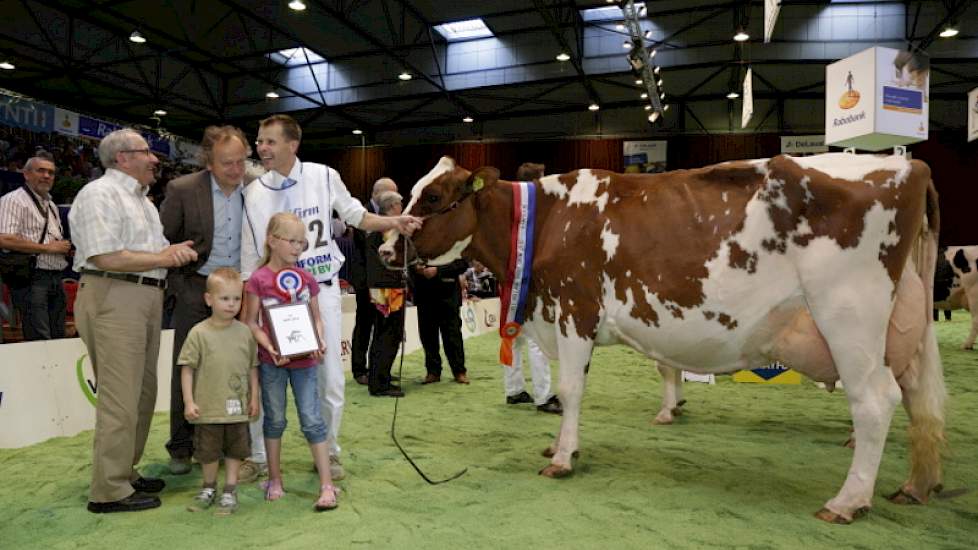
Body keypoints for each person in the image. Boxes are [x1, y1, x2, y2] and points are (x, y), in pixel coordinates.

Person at [240, 114, 421, 482]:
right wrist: (250, 307)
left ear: (293, 144)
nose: (262, 148)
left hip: (320, 293)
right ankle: (258, 455)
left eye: (270, 141)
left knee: (329, 378)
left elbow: (355, 215)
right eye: (259, 141)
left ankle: (329, 450)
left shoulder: (324, 176)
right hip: (271, 299)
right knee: (262, 375)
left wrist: (393, 223)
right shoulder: (253, 192)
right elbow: (249, 256)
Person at [69, 128, 198, 513]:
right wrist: (163, 258)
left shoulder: (141, 200)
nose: (154, 159)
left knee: (141, 393)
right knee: (120, 397)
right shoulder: (99, 194)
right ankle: (107, 490)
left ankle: (124, 471)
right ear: (123, 158)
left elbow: (150, 251)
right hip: (114, 294)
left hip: (142, 296)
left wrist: (170, 251)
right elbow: (104, 256)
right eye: (146, 152)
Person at [159, 125, 251, 476]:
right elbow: (164, 239)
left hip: (240, 289)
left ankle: (232, 446)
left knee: (236, 365)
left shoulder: (255, 190)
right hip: (195, 288)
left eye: (241, 161)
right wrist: (177, 272)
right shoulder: (183, 189)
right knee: (188, 364)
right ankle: (181, 447)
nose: (236, 170)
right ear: (208, 161)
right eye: (228, 162)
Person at [243, 212, 337, 511]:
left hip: (306, 363)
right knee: (275, 420)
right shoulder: (258, 280)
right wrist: (270, 347)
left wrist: (319, 340)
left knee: (312, 420)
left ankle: (326, 484)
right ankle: (274, 478)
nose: (298, 248)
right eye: (292, 241)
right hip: (272, 363)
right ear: (272, 241)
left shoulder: (307, 278)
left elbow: (316, 319)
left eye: (302, 242)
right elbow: (250, 322)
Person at [180, 268, 258, 515]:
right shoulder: (198, 333)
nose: (232, 304)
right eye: (225, 298)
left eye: (237, 298)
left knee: (236, 450)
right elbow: (187, 370)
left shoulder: (246, 332)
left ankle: (230, 490)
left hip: (238, 409)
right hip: (208, 409)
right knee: (208, 452)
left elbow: (253, 368)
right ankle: (209, 487)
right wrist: (189, 402)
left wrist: (254, 397)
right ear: (209, 299)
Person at [0, 154, 71, 340]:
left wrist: (65, 249)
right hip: (31, 277)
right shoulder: (13, 200)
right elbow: (4, 239)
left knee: (58, 337)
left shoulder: (51, 205)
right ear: (26, 174)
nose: (47, 176)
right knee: (40, 339)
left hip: (56, 275)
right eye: (41, 170)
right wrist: (49, 249)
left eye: (51, 172)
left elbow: (52, 240)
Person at [350, 177, 397, 385]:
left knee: (382, 325)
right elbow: (364, 248)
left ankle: (378, 369)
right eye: (391, 194)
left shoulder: (389, 216)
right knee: (364, 324)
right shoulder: (363, 213)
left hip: (384, 282)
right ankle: (359, 369)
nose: (395, 200)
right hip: (365, 281)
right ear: (378, 194)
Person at [365, 190, 408, 397]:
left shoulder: (379, 229)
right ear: (392, 207)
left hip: (383, 287)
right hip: (387, 289)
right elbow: (385, 262)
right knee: (388, 334)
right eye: (400, 204)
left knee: (385, 333)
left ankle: (380, 376)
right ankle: (379, 382)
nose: (402, 207)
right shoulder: (386, 230)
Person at [413, 257, 470, 385]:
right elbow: (408, 261)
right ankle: (433, 371)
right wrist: (416, 268)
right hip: (425, 295)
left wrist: (438, 270)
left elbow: (463, 263)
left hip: (448, 295)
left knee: (453, 335)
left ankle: (459, 371)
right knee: (428, 336)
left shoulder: (451, 241)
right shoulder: (417, 242)